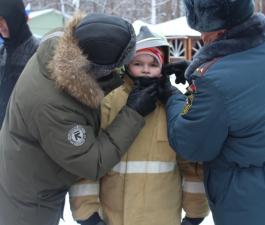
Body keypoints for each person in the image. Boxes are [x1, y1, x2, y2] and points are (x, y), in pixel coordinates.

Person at [161, 0, 265, 225]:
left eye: (205, 32)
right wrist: (202, 70)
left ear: (222, 30)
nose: (202, 38)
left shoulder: (214, 83)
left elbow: (191, 144)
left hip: (250, 201)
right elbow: (251, 86)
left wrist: (173, 96)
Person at [0, 13, 159, 225]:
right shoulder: (52, 106)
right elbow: (93, 162)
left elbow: (87, 80)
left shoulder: (62, 47)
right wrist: (133, 113)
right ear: (101, 68)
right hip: (28, 202)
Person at [69, 26, 209, 225]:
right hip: (115, 217)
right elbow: (90, 160)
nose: (145, 69)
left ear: (164, 66)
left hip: (162, 217)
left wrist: (195, 213)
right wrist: (87, 213)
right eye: (138, 63)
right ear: (126, 65)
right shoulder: (109, 103)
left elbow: (190, 164)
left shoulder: (173, 106)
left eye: (153, 63)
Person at [0, 0, 39, 128]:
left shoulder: (38, 52)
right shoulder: (2, 52)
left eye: (3, 19)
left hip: (25, 137)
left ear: (15, 17)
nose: (0, 26)